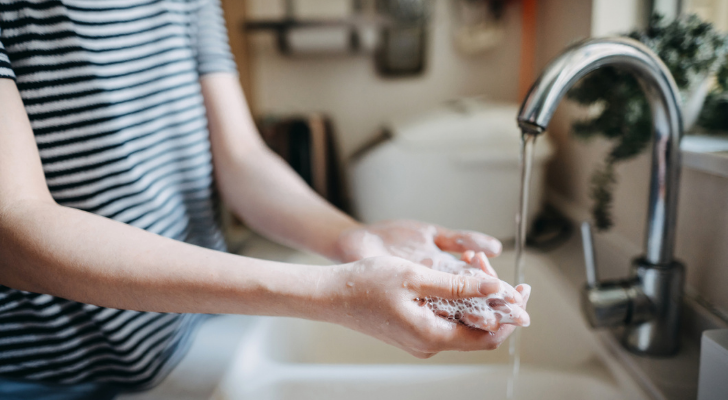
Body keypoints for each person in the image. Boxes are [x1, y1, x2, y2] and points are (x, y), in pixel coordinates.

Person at [0, 0, 530, 398]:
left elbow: (243, 159)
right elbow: (14, 229)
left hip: (184, 336)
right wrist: (334, 293)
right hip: (43, 371)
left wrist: (348, 235)